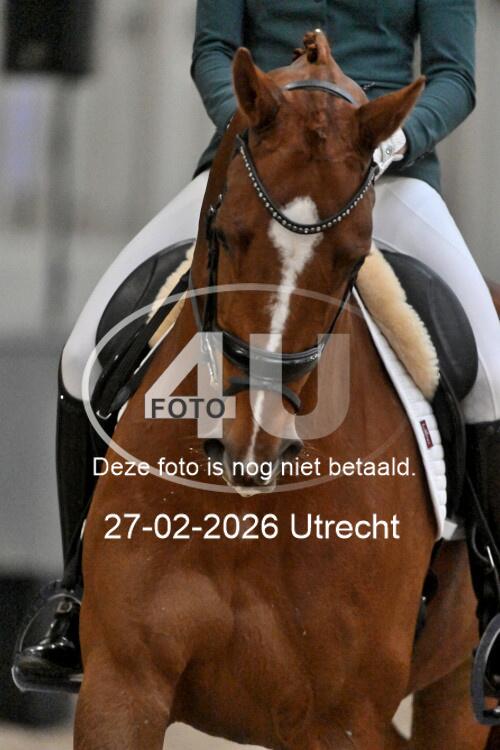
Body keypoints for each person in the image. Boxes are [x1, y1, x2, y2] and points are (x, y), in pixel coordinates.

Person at [13, 0, 500, 712]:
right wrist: (253, 126)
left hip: (383, 173)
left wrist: (390, 141)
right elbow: (214, 50)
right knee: (85, 346)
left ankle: (494, 605)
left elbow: (456, 76)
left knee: (490, 374)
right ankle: (74, 596)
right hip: (256, 166)